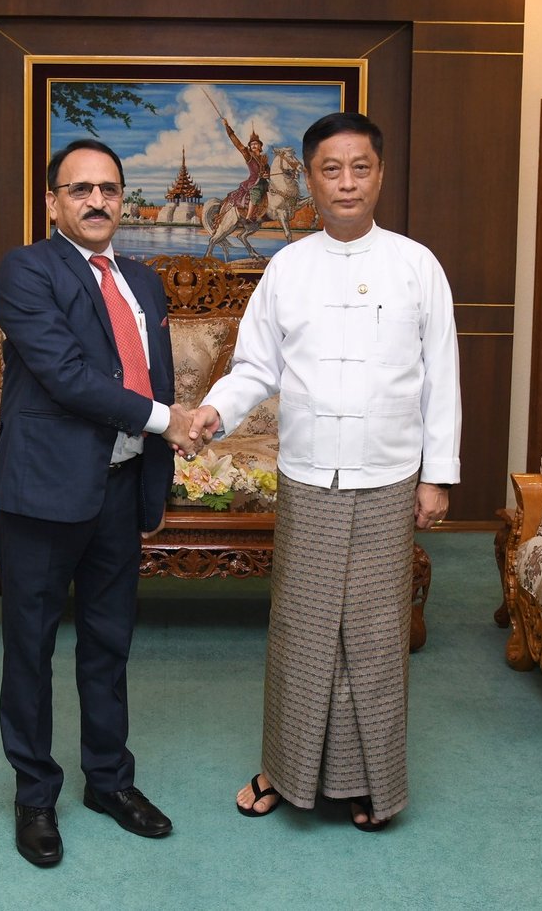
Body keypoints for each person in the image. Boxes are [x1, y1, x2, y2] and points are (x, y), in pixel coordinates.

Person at [188, 111, 461, 832]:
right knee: (303, 631)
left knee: (373, 637)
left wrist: (438, 476)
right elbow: (253, 366)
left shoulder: (416, 265)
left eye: (360, 167)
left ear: (380, 173)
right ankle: (285, 770)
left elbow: (443, 380)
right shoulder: (287, 267)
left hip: (388, 477)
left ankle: (373, 782)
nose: (346, 182)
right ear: (308, 179)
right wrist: (214, 413)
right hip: (310, 477)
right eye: (330, 170)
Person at [0, 138, 198, 867]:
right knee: (33, 648)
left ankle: (109, 781)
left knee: (109, 643)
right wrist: (171, 421)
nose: (98, 201)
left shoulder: (143, 280)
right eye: (80, 189)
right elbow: (70, 375)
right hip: (42, 493)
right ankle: (35, 795)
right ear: (53, 203)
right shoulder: (25, 270)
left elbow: (153, 375)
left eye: (109, 188)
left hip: (119, 485)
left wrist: (165, 448)